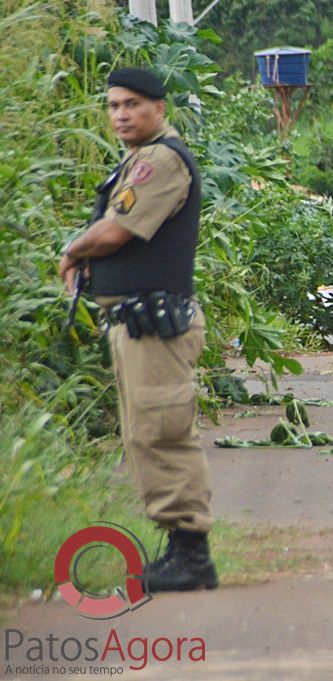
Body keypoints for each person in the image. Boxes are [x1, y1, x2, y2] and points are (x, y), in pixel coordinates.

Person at [58, 68, 217, 592]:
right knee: (146, 435)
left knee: (163, 432)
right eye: (113, 106)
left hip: (157, 323)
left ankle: (192, 556)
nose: (120, 114)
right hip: (137, 321)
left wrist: (73, 250)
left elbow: (118, 229)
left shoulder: (161, 161)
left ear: (159, 108)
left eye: (132, 104)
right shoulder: (139, 159)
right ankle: (179, 549)